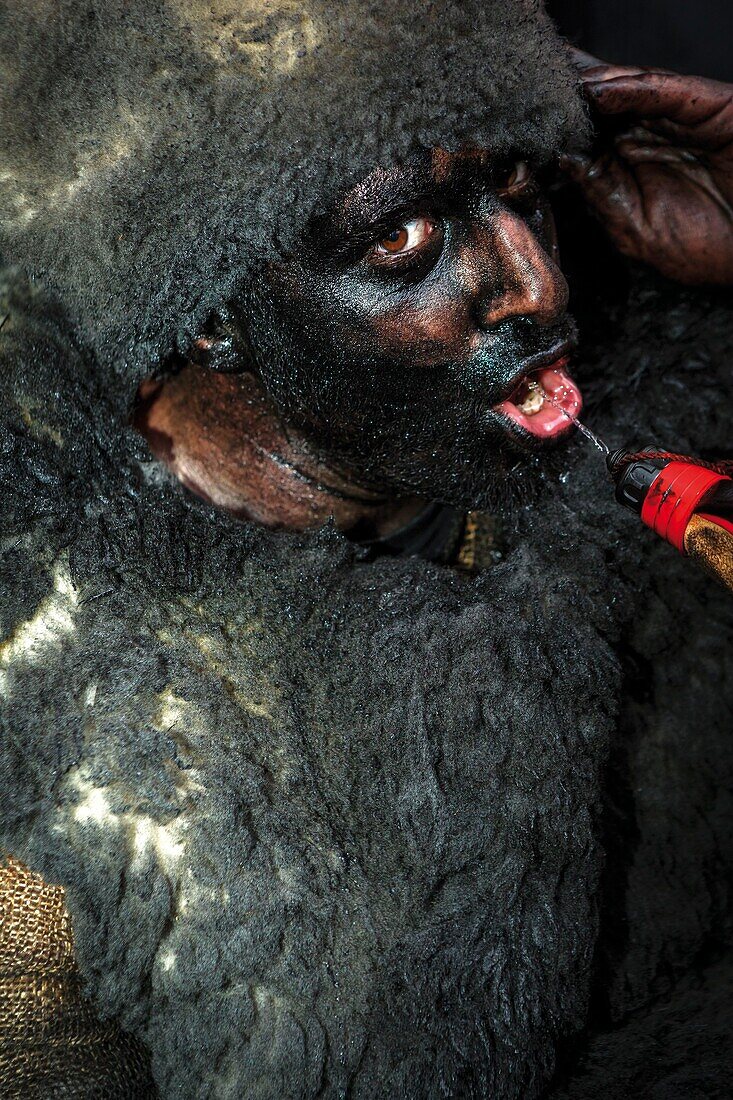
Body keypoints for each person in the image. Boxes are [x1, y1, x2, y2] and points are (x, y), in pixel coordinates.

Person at [0, 3, 731, 1097]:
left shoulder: (671, 403)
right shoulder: (63, 751)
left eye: (521, 183)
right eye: (401, 240)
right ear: (208, 314)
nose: (538, 284)